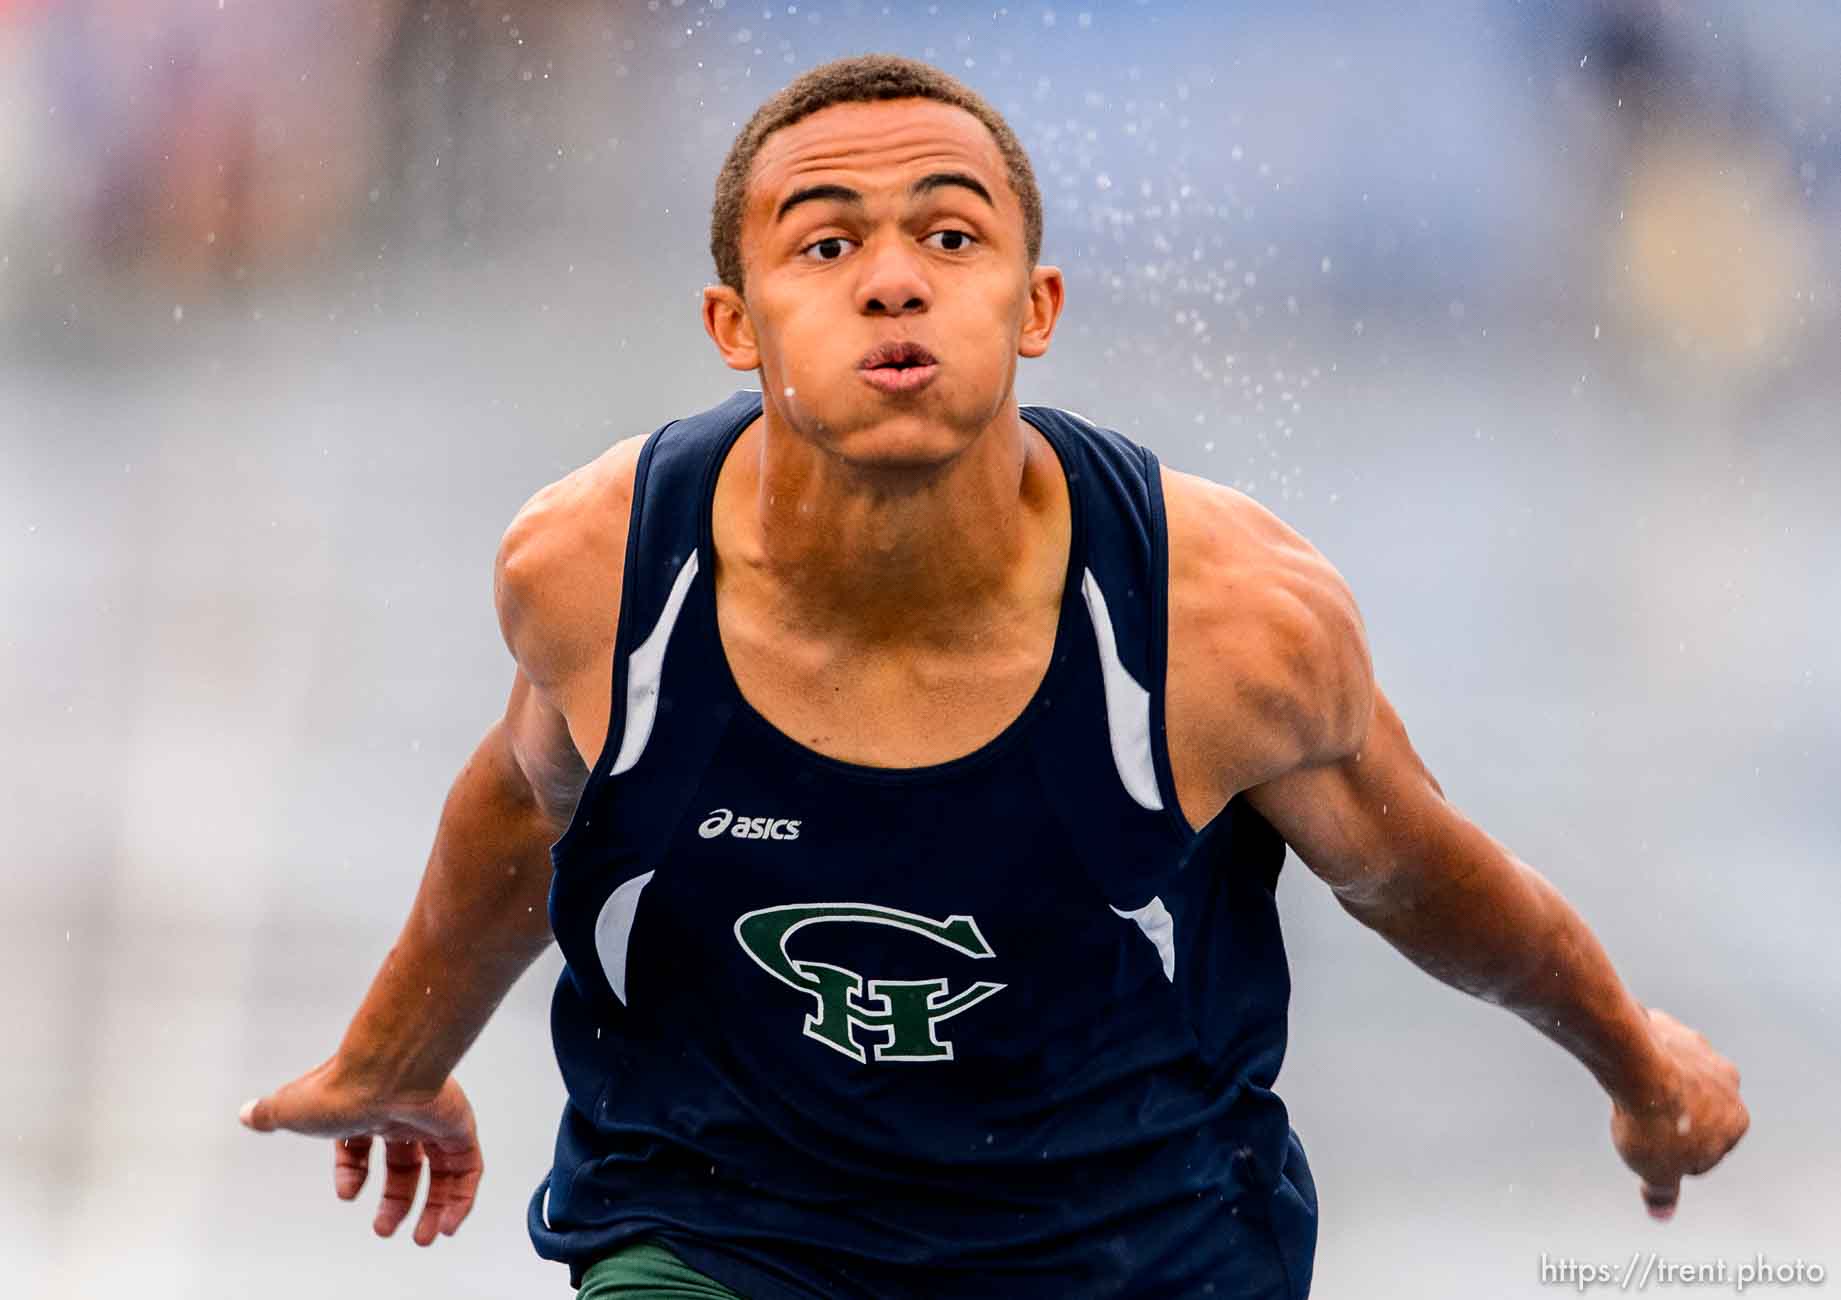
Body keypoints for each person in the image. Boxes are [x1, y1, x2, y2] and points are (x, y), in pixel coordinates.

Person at [239, 54, 1748, 1299]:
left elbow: (1420, 877)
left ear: (1035, 308)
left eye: (949, 239)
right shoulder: (595, 569)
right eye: (824, 246)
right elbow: (523, 802)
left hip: (1131, 1246)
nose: (892, 283)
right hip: (718, 1224)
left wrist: (1632, 1061)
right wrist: (396, 1058)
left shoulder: (1225, 623)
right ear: (733, 327)